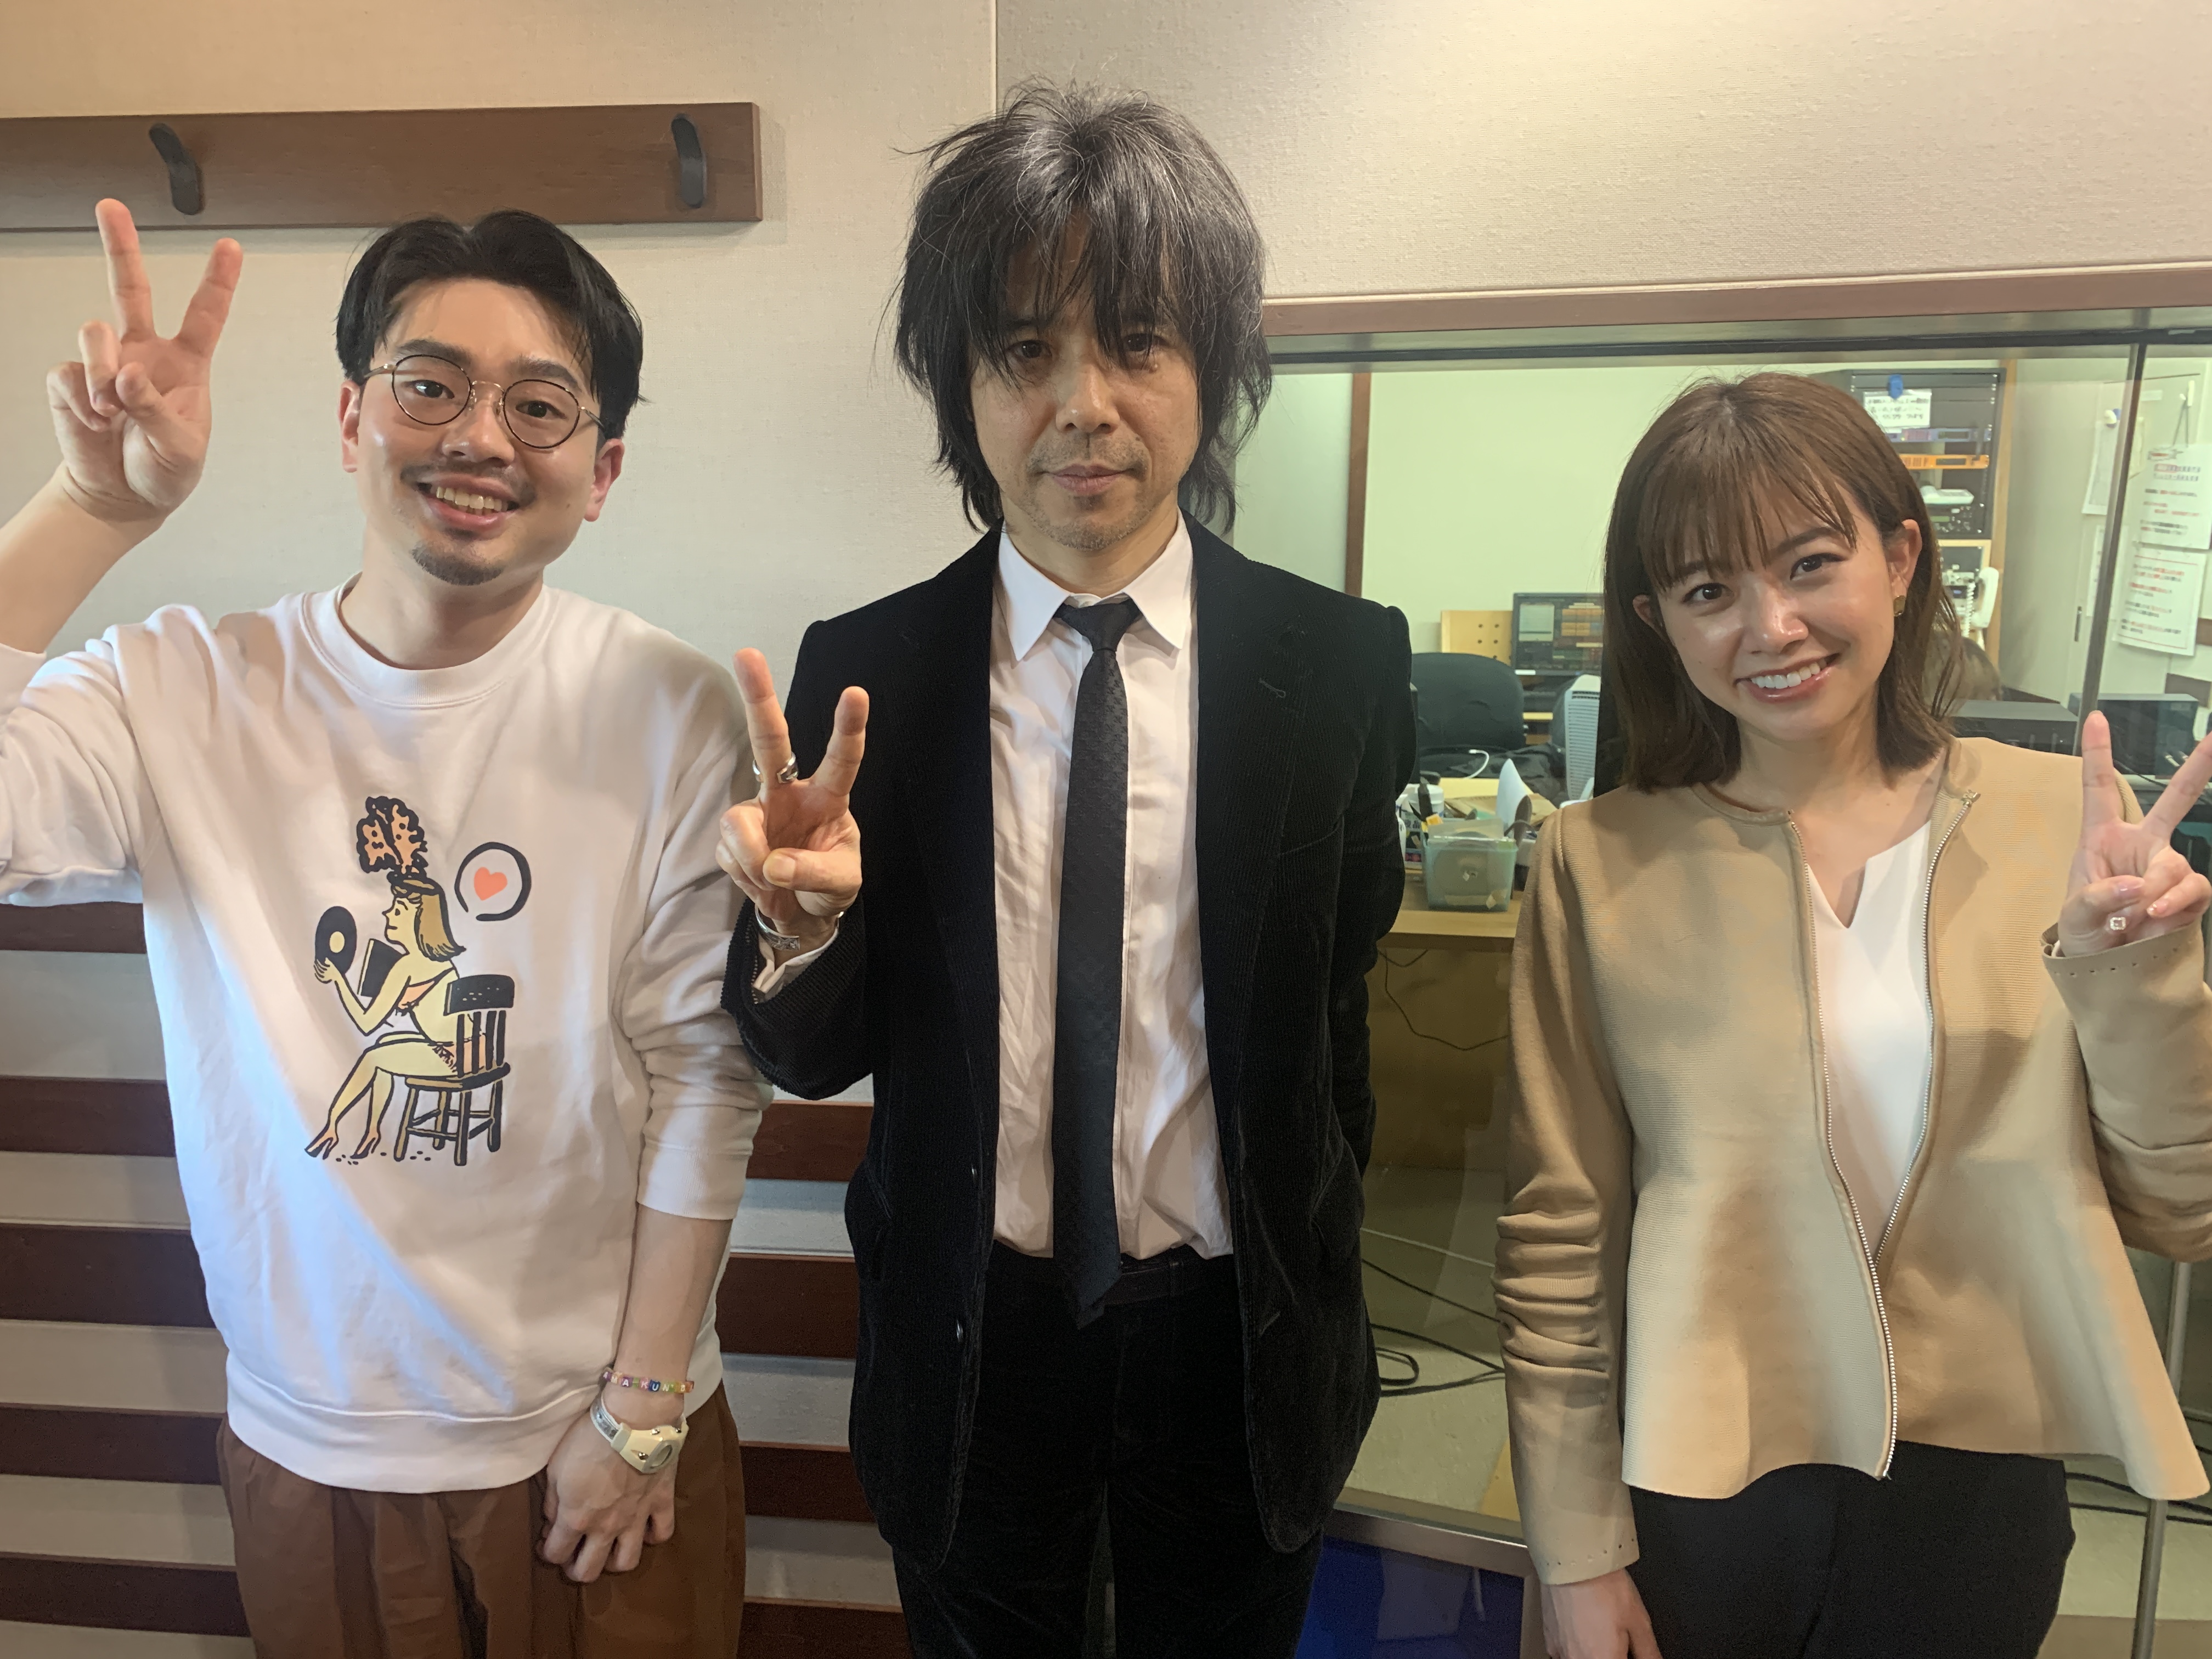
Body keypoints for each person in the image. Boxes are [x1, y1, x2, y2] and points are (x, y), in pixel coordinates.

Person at [0, 201, 762, 1655]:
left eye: (538, 405)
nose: (479, 437)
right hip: (312, 1436)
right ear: (353, 414)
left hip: (597, 1429)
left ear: (600, 472)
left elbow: (705, 1070)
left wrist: (643, 1410)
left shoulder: (667, 705)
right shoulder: (178, 688)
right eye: (431, 385)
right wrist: (95, 508)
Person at [713, 84, 1414, 1657]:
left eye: (1137, 344)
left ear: (1212, 371)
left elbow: (1334, 1018)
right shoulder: (870, 671)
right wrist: (798, 938)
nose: (1082, 404)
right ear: (961, 387)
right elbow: (806, 1057)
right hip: (977, 1343)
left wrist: (1313, 1261)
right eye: (1025, 351)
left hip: (1236, 1345)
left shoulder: (1339, 668)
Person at [1498, 372, 2212, 1659]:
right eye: (1708, 591)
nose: (1771, 627)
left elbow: (2183, 1209)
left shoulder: (2060, 824)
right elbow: (1563, 1233)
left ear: (1900, 558)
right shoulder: (1597, 862)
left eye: (1809, 564)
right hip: (1702, 1485)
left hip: (1975, 1493)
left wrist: (2135, 971)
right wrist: (1575, 1552)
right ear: (1658, 622)